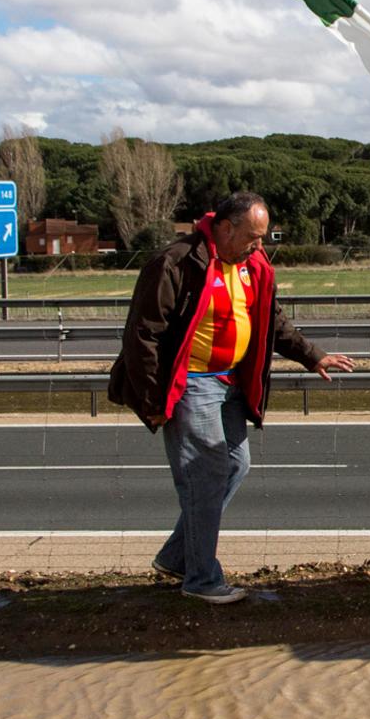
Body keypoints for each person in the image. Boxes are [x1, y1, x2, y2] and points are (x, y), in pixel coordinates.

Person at [107, 191, 355, 603]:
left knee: (234, 466)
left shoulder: (252, 265)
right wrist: (157, 400)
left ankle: (177, 556)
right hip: (191, 385)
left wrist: (313, 356)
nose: (261, 246)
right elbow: (142, 336)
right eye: (253, 237)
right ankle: (202, 580)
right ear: (224, 228)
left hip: (231, 383)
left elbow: (273, 322)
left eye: (263, 238)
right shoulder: (175, 262)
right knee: (204, 479)